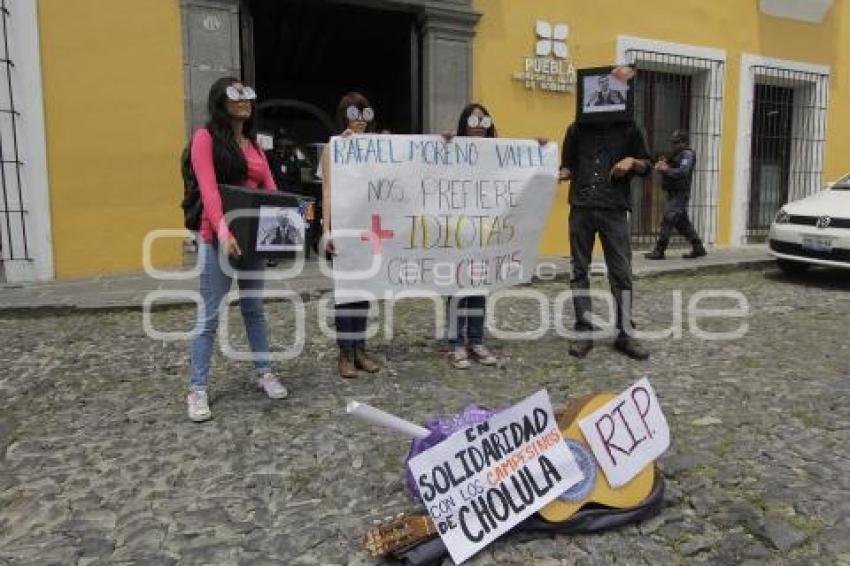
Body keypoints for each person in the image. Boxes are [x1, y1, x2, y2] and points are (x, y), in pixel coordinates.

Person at [186, 78, 288, 423]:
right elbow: (210, 192)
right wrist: (224, 232)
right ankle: (197, 388)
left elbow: (271, 192)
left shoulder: (255, 146)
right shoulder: (206, 139)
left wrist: (288, 219)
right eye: (236, 94)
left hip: (252, 241)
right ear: (220, 100)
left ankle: (264, 371)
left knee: (254, 309)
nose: (244, 100)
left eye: (248, 95)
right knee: (209, 316)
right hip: (218, 238)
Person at [559, 118, 652, 361]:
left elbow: (647, 165)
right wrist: (551, 167)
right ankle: (584, 331)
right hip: (581, 207)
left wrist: (632, 162)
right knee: (579, 270)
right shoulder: (576, 128)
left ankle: (625, 334)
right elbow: (567, 165)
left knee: (621, 272)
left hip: (615, 210)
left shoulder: (631, 126)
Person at [322, 92, 383, 379]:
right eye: (353, 114)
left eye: (364, 114)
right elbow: (327, 191)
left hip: (367, 231)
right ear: (344, 116)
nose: (359, 121)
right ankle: (345, 352)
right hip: (344, 230)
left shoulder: (377, 148)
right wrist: (326, 230)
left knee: (363, 292)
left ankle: (360, 348)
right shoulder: (334, 148)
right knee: (346, 294)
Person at [442, 103, 500, 369]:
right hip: (457, 230)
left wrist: (538, 148)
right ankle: (455, 342)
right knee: (456, 288)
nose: (478, 125)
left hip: (484, 230)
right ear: (464, 123)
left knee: (479, 287)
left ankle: (475, 339)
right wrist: (444, 143)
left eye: (483, 120)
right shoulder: (452, 148)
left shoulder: (499, 152)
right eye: (473, 120)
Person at [645, 130, 707, 260]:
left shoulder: (687, 154)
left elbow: (683, 172)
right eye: (672, 143)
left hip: (680, 194)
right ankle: (698, 247)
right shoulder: (677, 154)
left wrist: (666, 169)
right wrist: (664, 164)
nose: (673, 145)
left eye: (676, 143)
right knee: (682, 223)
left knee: (668, 219)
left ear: (684, 142)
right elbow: (672, 168)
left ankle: (659, 250)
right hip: (673, 193)